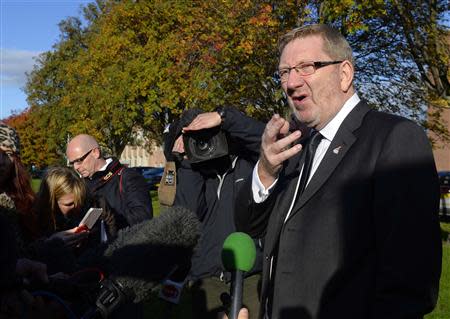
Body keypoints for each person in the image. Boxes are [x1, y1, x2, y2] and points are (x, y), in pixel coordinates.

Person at [235, 24, 442, 319]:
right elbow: (249, 226)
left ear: (344, 73)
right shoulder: (295, 147)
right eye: (284, 72)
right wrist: (266, 170)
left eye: (306, 67)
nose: (291, 82)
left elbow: (410, 284)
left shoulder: (395, 139)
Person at [161, 107, 265, 319]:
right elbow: (187, 216)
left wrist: (224, 117)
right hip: (207, 276)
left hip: (250, 272)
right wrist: (188, 163)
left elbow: (268, 139)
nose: (203, 142)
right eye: (194, 138)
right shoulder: (192, 171)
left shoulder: (247, 161)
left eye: (205, 135)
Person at [66, 134, 152, 229]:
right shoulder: (81, 185)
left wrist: (106, 221)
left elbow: (143, 217)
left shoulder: (127, 177)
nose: (76, 167)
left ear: (95, 152)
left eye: (79, 160)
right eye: (72, 163)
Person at [33, 167, 117, 250]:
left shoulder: (95, 203)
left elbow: (111, 228)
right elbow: (28, 254)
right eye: (69, 204)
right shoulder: (32, 217)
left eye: (80, 201)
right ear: (50, 201)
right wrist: (51, 244)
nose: (77, 208)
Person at [0, 123, 38, 246]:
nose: (1, 161)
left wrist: (53, 241)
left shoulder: (23, 199)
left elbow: (25, 249)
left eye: (9, 154)